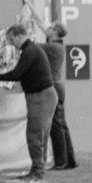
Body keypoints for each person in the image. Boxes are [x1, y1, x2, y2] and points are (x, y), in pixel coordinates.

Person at [0, 23, 58, 182]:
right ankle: (38, 169)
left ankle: (37, 171)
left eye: (12, 40)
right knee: (40, 134)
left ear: (20, 36)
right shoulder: (31, 50)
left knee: (34, 134)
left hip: (41, 96)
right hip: (43, 95)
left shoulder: (29, 51)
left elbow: (16, 74)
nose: (11, 44)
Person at [40, 21, 78, 170]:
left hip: (54, 87)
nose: (47, 29)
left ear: (55, 32)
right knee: (61, 124)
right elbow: (42, 26)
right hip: (59, 87)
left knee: (56, 126)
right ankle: (69, 160)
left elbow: (30, 46)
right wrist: (29, 5)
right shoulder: (58, 45)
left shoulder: (51, 47)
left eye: (50, 28)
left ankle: (61, 161)